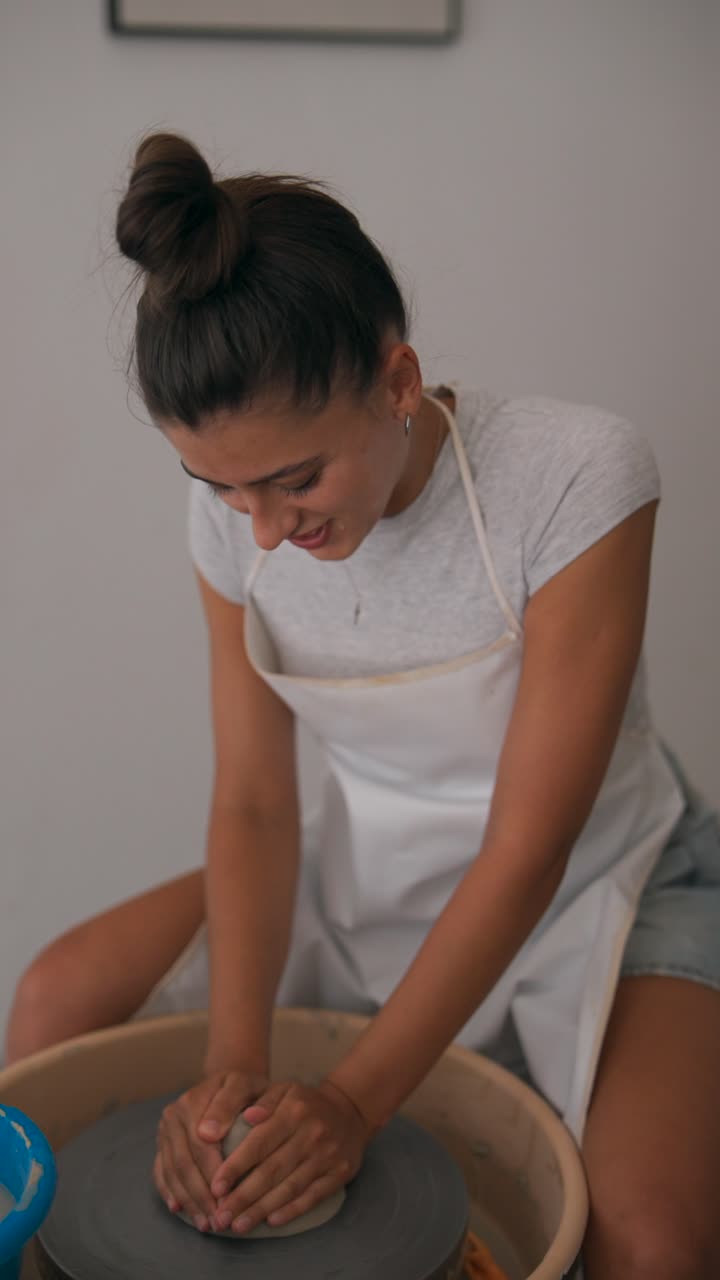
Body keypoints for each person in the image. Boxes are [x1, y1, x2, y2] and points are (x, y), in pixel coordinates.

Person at [6, 133, 720, 1279]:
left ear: (398, 382)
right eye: (221, 486)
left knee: (655, 1241)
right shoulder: (239, 521)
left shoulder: (577, 475)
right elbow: (253, 800)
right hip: (364, 863)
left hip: (602, 875)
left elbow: (529, 848)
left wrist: (349, 1101)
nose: (264, 528)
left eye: (297, 478)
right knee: (55, 996)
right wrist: (230, 1072)